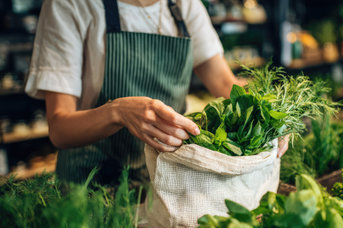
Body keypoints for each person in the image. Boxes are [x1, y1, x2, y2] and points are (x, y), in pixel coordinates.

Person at [25, 0, 288, 185]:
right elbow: (59, 128)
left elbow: (223, 83)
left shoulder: (184, 6)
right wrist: (117, 112)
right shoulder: (71, 5)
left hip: (166, 182)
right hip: (92, 187)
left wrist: (270, 112)